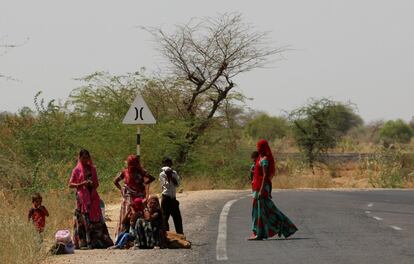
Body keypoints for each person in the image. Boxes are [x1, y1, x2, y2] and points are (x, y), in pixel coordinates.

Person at [249, 139, 298, 240]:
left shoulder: (265, 159)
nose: (258, 148)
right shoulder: (259, 158)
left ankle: (259, 233)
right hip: (257, 188)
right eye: (257, 146)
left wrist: (262, 189)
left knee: (262, 211)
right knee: (262, 210)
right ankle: (285, 227)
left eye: (260, 146)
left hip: (262, 188)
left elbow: (266, 175)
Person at [69, 149, 112, 249]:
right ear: (79, 158)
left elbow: (97, 184)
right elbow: (70, 184)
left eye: (87, 158)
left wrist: (92, 184)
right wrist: (81, 184)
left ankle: (97, 241)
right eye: (83, 158)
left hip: (92, 197)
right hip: (82, 198)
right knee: (83, 219)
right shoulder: (76, 170)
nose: (85, 160)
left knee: (96, 219)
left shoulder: (92, 169)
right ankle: (84, 242)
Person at [114, 155, 155, 237]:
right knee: (128, 214)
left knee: (140, 214)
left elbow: (151, 178)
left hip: (139, 197)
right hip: (128, 196)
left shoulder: (142, 172)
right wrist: (122, 189)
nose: (133, 166)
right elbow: (115, 181)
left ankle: (140, 235)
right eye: (131, 164)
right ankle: (124, 234)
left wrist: (145, 185)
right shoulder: (124, 172)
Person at [159, 157, 183, 235]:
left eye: (169, 163)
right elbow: (166, 185)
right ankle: (166, 235)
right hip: (166, 198)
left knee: (177, 217)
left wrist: (171, 176)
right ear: (164, 164)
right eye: (166, 163)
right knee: (165, 218)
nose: (168, 164)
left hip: (173, 198)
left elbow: (177, 184)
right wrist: (168, 176)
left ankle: (180, 234)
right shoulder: (162, 174)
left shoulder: (174, 173)